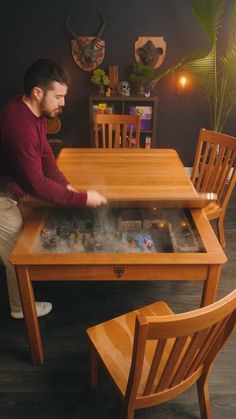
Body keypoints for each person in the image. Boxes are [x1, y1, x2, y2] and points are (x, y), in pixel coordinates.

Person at [0, 59, 107, 319]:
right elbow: (36, 183)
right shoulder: (19, 124)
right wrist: (81, 198)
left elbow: (46, 156)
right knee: (17, 252)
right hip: (2, 195)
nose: (63, 103)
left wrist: (66, 185)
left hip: (13, 188)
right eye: (58, 96)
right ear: (38, 92)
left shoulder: (32, 112)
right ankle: (20, 308)